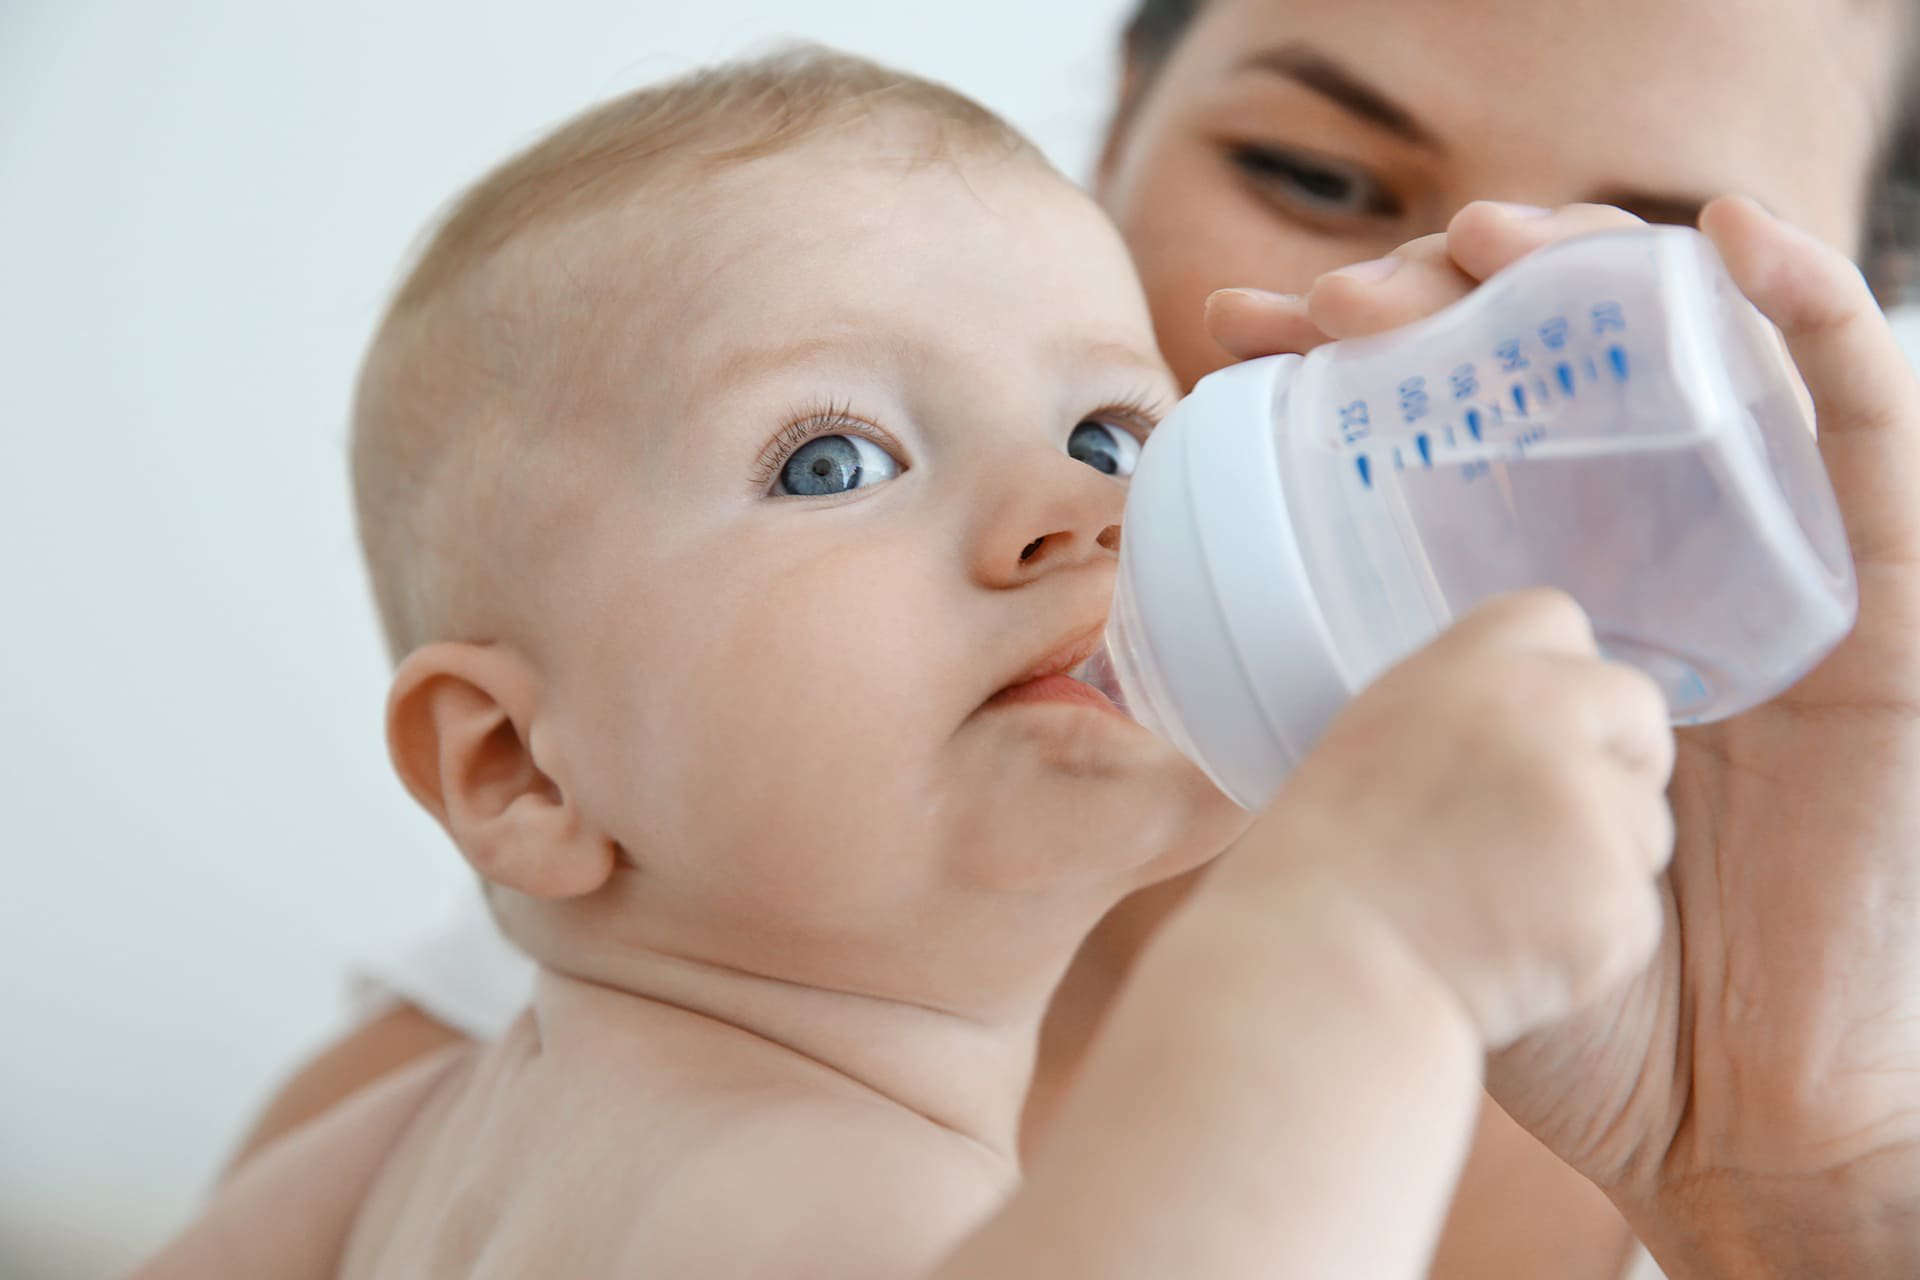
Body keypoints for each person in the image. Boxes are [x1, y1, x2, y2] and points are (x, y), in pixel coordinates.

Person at [227, 1, 1920, 1275]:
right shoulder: (805, 1175)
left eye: (1112, 435)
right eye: (835, 461)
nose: (1082, 511)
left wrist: (1797, 1177)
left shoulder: (466, 1132)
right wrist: (1368, 946)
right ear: (522, 768)